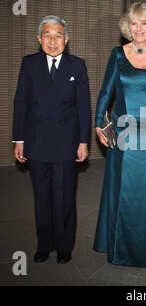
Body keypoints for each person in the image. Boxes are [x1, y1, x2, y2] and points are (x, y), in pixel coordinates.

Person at [93, 2, 146, 267]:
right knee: (123, 192)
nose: (139, 28)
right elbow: (106, 91)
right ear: (127, 27)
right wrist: (98, 122)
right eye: (134, 23)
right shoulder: (118, 54)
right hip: (124, 137)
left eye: (144, 23)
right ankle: (121, 247)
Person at [12, 15, 91, 264]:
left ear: (66, 39)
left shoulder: (77, 65)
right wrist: (19, 139)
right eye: (47, 35)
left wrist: (83, 141)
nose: (53, 40)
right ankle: (44, 244)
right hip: (36, 142)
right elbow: (21, 103)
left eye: (58, 35)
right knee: (42, 197)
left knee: (65, 196)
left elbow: (83, 108)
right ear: (39, 38)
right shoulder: (29, 63)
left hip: (66, 143)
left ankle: (64, 245)